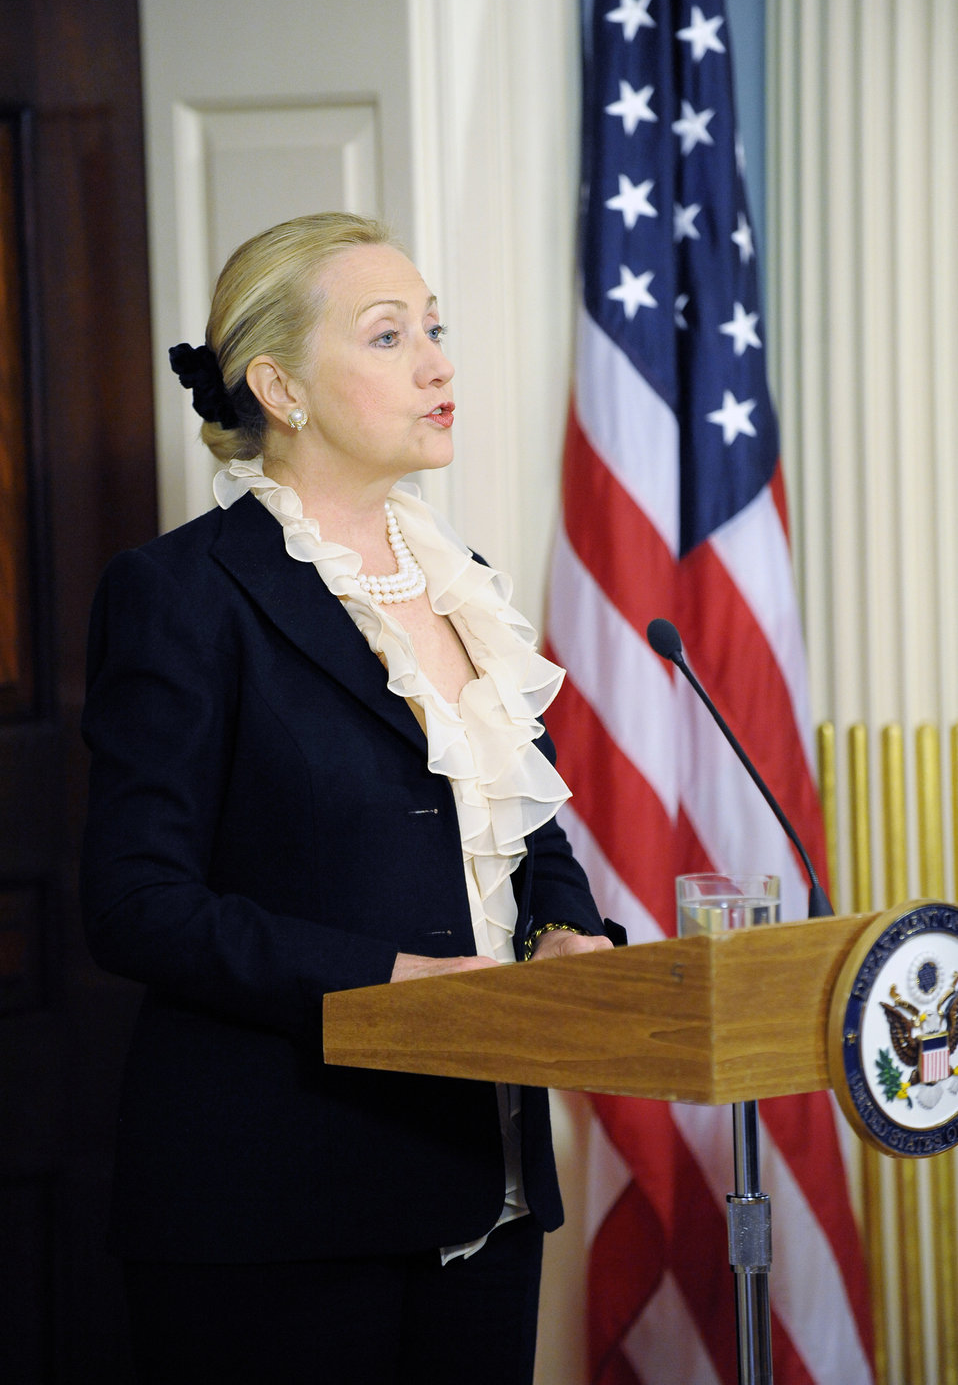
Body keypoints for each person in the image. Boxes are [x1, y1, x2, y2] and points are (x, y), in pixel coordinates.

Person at [80, 212, 615, 1385]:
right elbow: (133, 901)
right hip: (275, 1204)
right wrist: (388, 985)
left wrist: (571, 934)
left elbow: (518, 828)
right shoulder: (180, 593)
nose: (437, 362)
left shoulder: (462, 584)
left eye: (434, 327)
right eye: (388, 336)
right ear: (279, 386)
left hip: (488, 1181)